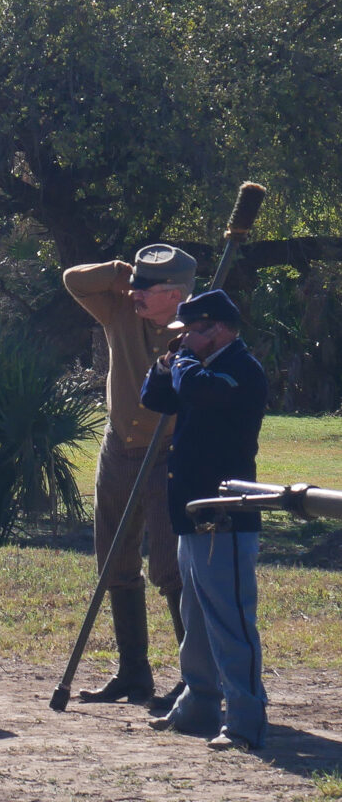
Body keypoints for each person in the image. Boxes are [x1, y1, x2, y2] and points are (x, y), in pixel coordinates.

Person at [62, 244, 196, 705]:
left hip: (169, 454)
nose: (134, 293)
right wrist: (121, 271)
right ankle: (133, 674)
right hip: (118, 448)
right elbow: (74, 280)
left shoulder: (199, 330)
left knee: (168, 566)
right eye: (134, 284)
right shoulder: (120, 309)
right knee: (114, 564)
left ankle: (195, 679)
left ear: (176, 294)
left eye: (146, 287)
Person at [142, 289, 268, 752]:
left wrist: (180, 365)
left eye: (191, 333)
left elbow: (195, 390)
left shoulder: (239, 369)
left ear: (216, 329)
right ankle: (199, 703)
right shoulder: (196, 367)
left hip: (226, 514)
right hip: (191, 511)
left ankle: (245, 719)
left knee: (231, 621)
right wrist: (165, 365)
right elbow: (156, 398)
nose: (182, 343)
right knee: (195, 619)